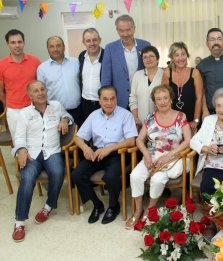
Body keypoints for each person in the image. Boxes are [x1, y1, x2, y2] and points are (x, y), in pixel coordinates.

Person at [11, 80, 73, 242]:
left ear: (46, 91)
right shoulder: (24, 113)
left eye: (42, 89)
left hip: (52, 151)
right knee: (28, 178)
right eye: (36, 91)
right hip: (32, 153)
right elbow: (18, 136)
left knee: (59, 172)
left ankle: (48, 206)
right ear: (30, 95)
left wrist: (65, 120)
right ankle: (19, 222)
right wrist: (21, 149)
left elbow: (68, 115)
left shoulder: (56, 106)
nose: (40, 93)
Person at [126, 84, 191, 229]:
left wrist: (170, 155)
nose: (162, 102)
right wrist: (146, 154)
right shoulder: (150, 117)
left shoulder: (181, 116)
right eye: (158, 99)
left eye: (165, 98)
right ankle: (137, 210)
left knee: (157, 179)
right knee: (134, 176)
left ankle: (150, 211)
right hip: (151, 156)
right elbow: (139, 140)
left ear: (171, 99)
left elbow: (187, 140)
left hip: (171, 158)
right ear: (154, 102)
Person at [71, 85, 137, 224]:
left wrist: (110, 149)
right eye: (105, 99)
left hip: (117, 153)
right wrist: (84, 148)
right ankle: (97, 204)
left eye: (112, 99)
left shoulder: (125, 114)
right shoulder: (94, 115)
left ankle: (113, 206)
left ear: (116, 99)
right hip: (96, 152)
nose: (109, 102)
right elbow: (78, 137)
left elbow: (131, 141)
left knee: (110, 176)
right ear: (99, 101)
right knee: (76, 174)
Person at [101, 14, 151, 109]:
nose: (125, 34)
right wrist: (106, 101)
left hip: (142, 98)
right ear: (117, 30)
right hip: (119, 100)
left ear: (134, 29)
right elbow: (106, 78)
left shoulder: (145, 45)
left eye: (128, 30)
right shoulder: (110, 48)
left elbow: (152, 70)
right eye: (121, 30)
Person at [0, 29, 41, 141]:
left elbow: (41, 86)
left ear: (24, 43)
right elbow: (0, 91)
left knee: (37, 141)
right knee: (19, 143)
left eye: (19, 42)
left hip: (34, 108)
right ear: (8, 44)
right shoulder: (1, 65)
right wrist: (10, 103)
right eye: (13, 42)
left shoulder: (35, 61)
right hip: (14, 112)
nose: (17, 45)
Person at [37, 36, 82, 125]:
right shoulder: (42, 69)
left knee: (79, 137)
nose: (55, 49)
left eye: (58, 45)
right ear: (47, 48)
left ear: (64, 47)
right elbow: (41, 93)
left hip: (78, 112)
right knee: (60, 139)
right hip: (55, 114)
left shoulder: (76, 63)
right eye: (52, 46)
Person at [162, 42, 203, 132]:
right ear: (172, 58)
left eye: (183, 54)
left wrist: (196, 120)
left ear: (187, 55)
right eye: (176, 55)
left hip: (191, 121)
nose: (180, 58)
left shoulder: (195, 73)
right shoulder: (167, 72)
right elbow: (163, 98)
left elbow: (199, 98)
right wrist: (164, 119)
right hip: (171, 122)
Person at [197, 28, 223, 116]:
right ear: (207, 43)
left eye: (219, 39)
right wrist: (204, 110)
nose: (216, 42)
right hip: (209, 112)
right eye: (212, 39)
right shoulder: (201, 65)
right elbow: (201, 90)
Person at [129, 46, 163, 129]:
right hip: (140, 122)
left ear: (158, 59)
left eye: (151, 56)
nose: (148, 59)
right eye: (145, 57)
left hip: (160, 122)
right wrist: (135, 118)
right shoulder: (137, 75)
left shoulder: (164, 74)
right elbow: (133, 98)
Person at [79, 28, 104, 124]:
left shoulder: (107, 56)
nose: (92, 43)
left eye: (94, 40)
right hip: (85, 103)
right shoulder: (81, 56)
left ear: (99, 40)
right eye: (88, 41)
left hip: (103, 103)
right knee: (89, 132)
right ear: (83, 42)